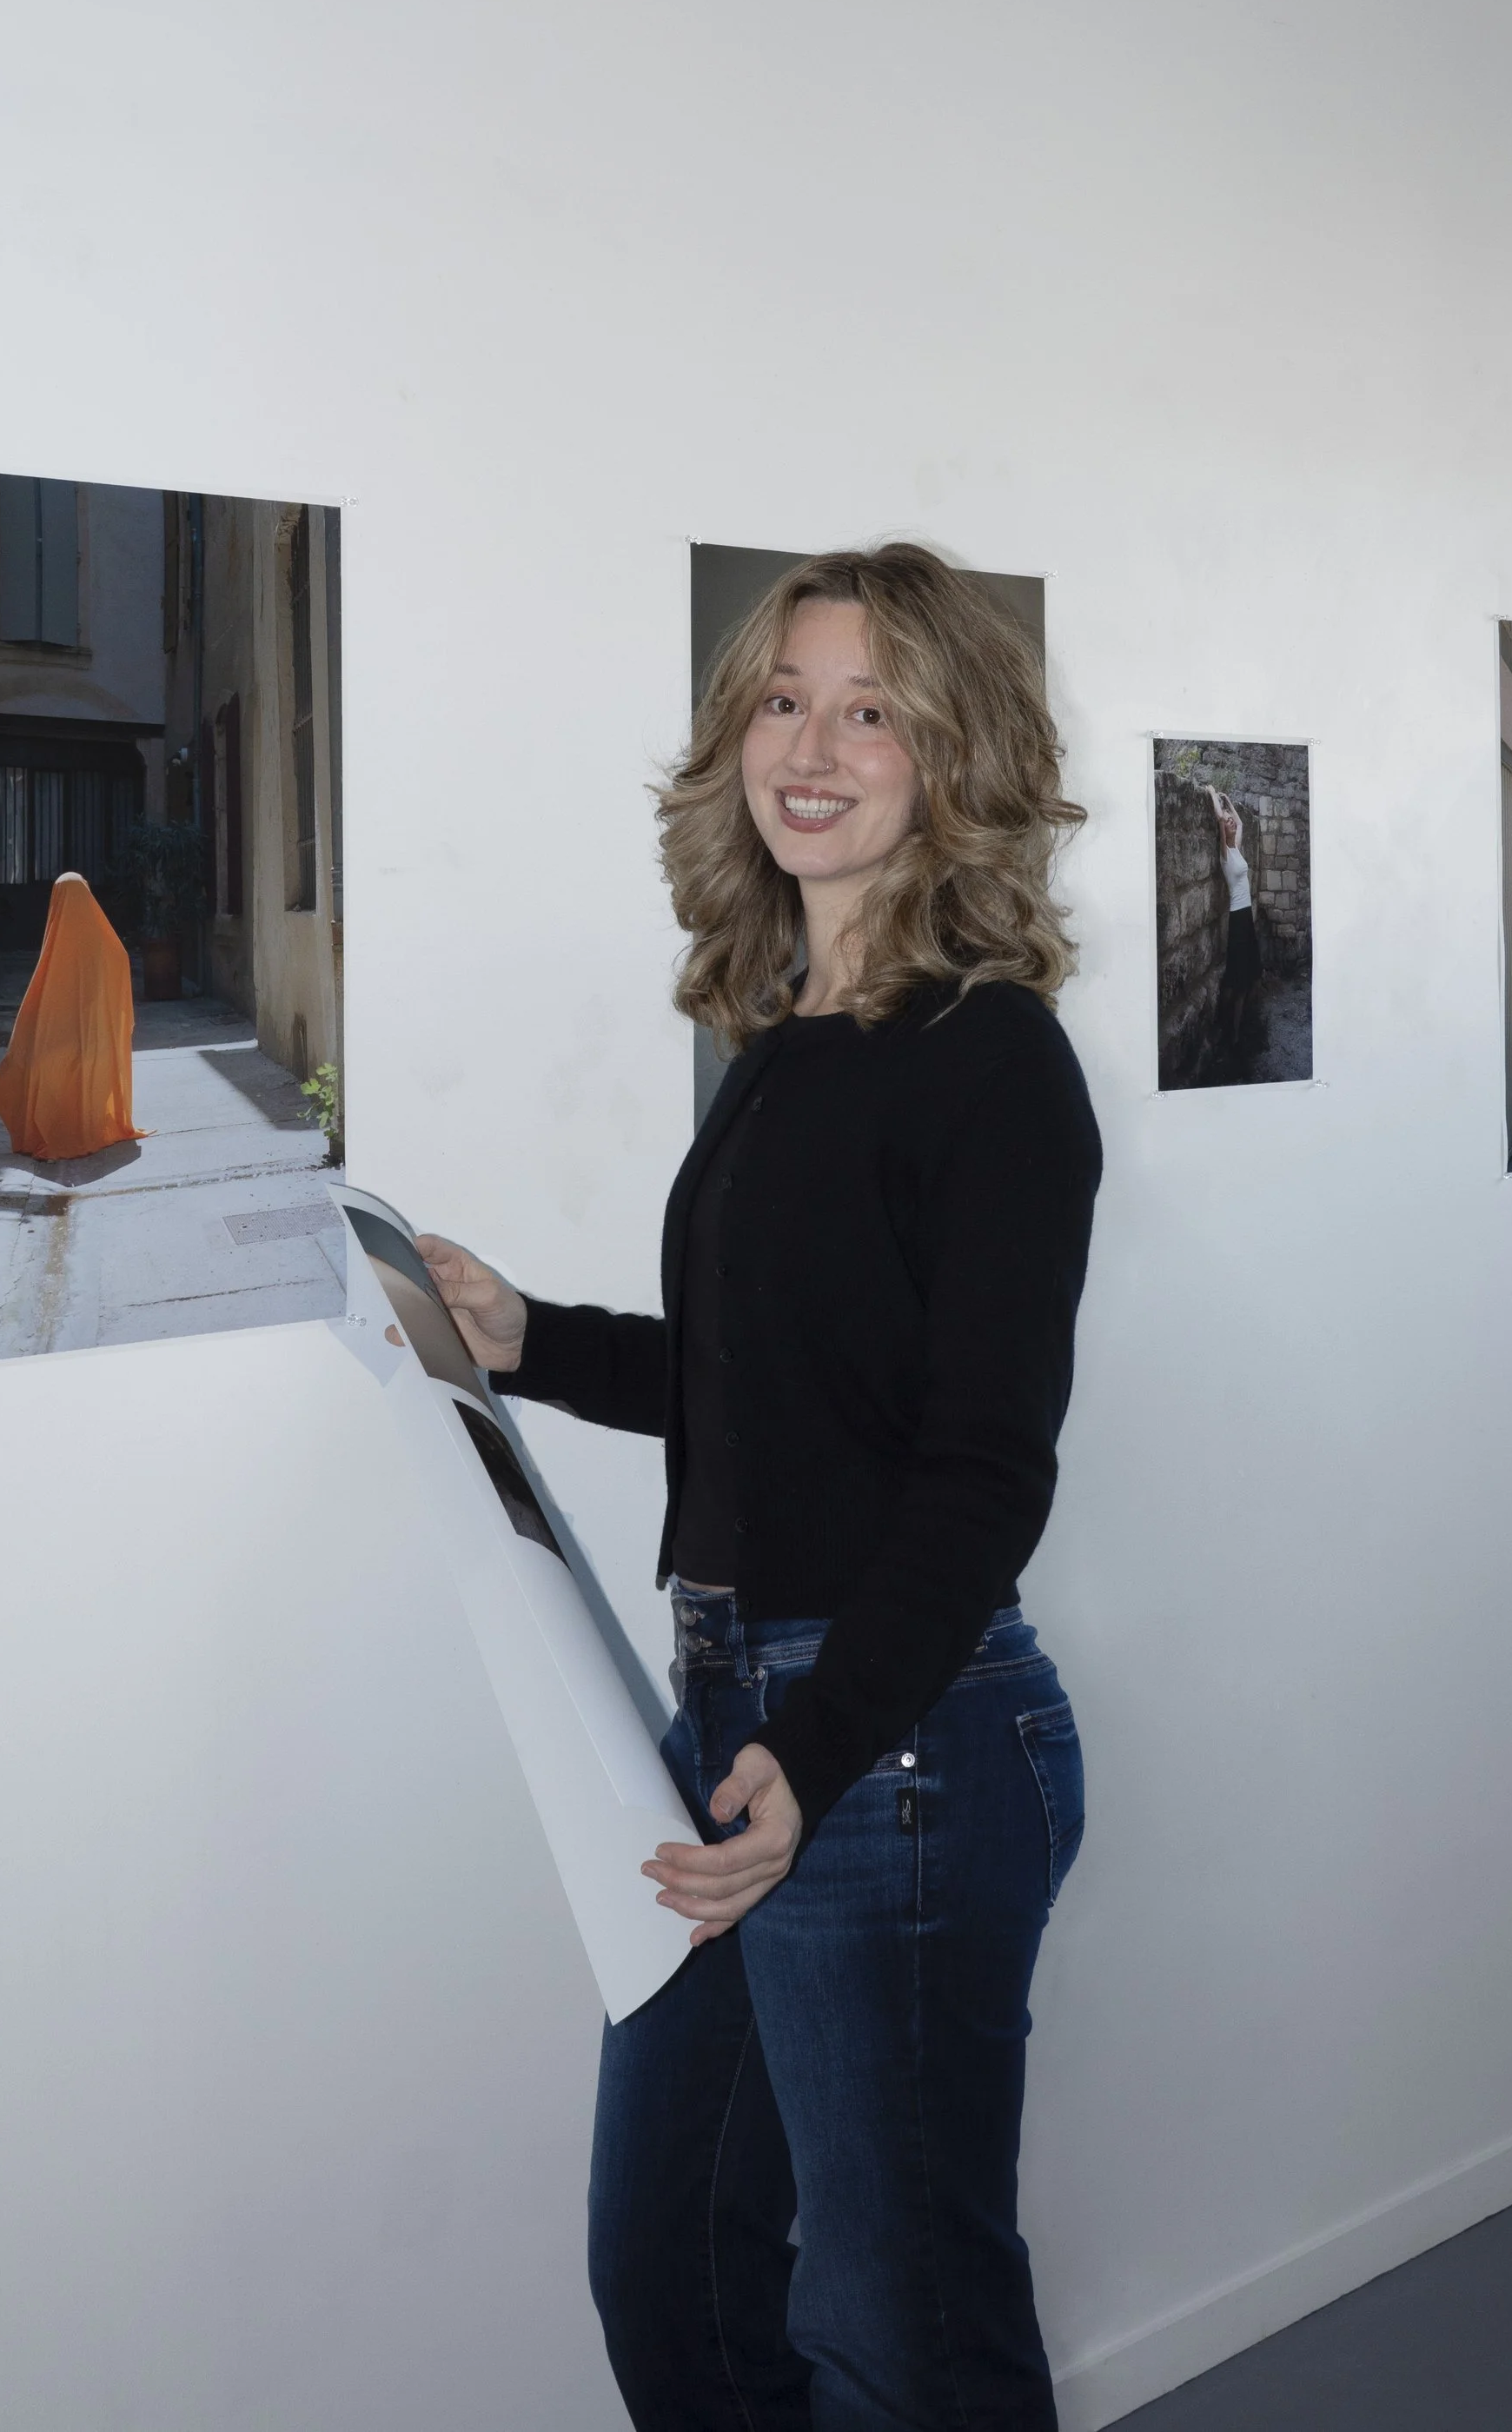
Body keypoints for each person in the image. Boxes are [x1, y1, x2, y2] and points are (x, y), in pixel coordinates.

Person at [421, 543, 1100, 2432]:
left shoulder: (995, 1066)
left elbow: (977, 1472)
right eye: (782, 700)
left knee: (906, 2338)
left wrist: (808, 1746)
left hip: (891, 1750)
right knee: (676, 2284)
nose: (813, 746)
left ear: (950, 755)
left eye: (870, 707)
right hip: (738, 1715)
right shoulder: (776, 1043)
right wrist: (528, 1336)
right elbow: (772, 1395)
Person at [0, 869, 143, 1161]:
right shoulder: (106, 942)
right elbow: (118, 968)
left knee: (40, 1066)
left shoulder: (58, 939)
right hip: (95, 1036)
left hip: (65, 1036)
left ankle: (53, 1130)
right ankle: (83, 1127)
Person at [1209, 786, 1261, 1067]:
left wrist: (1229, 802)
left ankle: (1235, 1026)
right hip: (1237, 920)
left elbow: (1241, 823)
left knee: (1247, 976)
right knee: (1238, 980)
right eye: (1226, 821)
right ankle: (1233, 1032)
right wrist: (1213, 793)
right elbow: (1220, 820)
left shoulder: (1238, 849)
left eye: (1229, 820)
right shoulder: (1225, 855)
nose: (1230, 822)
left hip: (1246, 917)